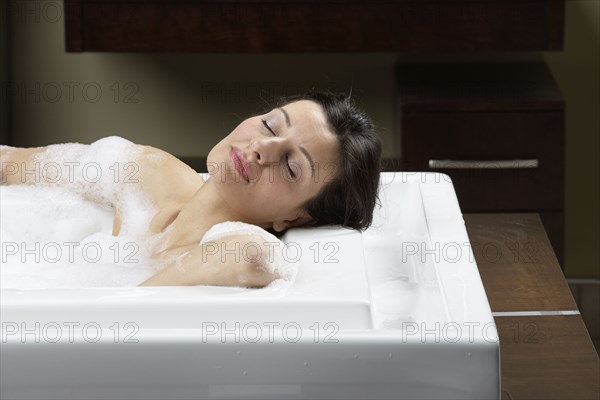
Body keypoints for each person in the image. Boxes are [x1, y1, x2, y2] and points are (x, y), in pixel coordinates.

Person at [0, 90, 382, 288]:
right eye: (269, 126)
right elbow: (9, 164)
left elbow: (257, 260)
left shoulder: (242, 249)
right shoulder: (148, 172)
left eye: (291, 166)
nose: (262, 149)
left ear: (293, 217)